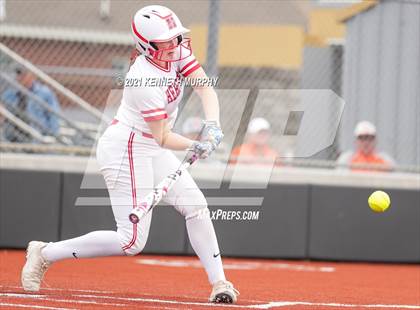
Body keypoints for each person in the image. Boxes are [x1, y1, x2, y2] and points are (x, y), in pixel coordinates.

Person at [21, 5, 239, 304]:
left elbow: (205, 88)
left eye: (177, 38)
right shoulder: (143, 80)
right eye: (166, 41)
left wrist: (212, 125)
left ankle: (220, 283)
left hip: (150, 145)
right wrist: (195, 144)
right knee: (131, 241)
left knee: (196, 205)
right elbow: (162, 137)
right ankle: (44, 252)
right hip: (126, 148)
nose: (175, 45)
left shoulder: (177, 51)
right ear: (147, 46)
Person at [1, 68, 61, 142]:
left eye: (24, 75)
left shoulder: (44, 92)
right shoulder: (10, 93)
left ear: (32, 76)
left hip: (37, 137)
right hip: (12, 137)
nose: (20, 78)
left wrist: (54, 136)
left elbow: (54, 116)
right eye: (18, 75)